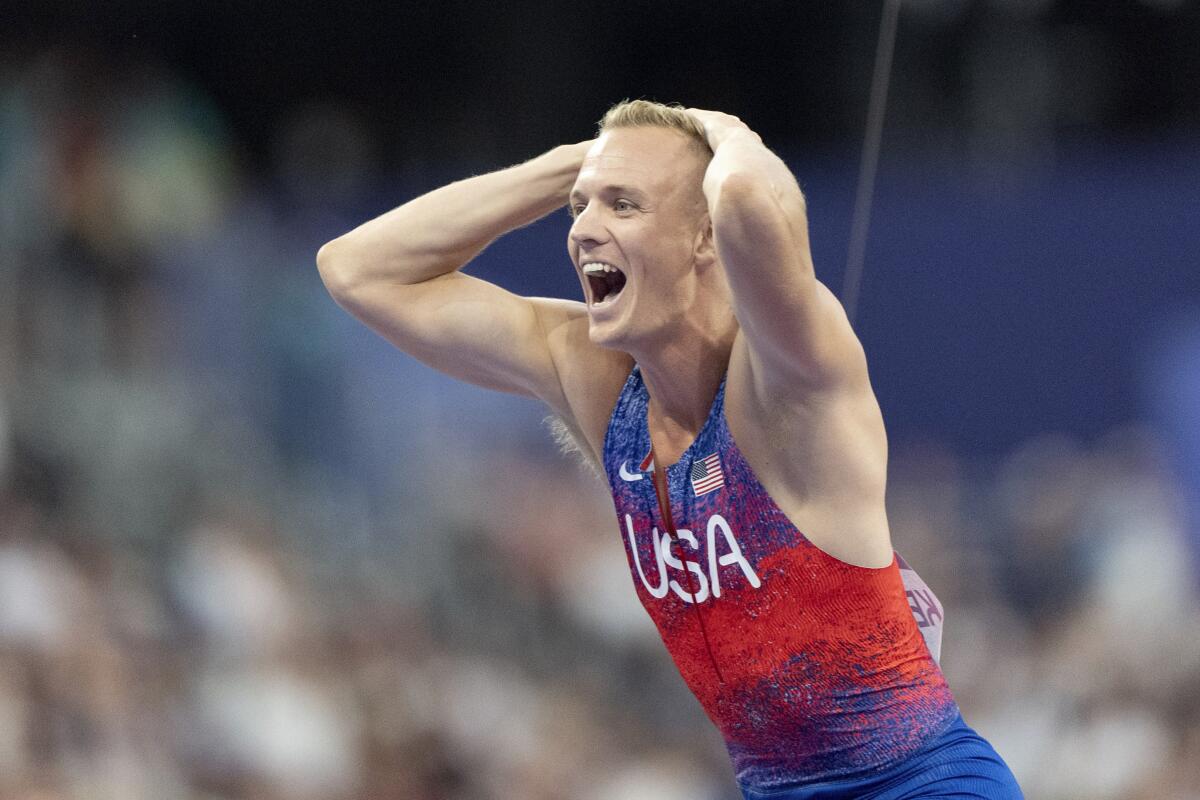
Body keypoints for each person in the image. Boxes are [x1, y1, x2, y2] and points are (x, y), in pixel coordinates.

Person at [317, 100, 1023, 799]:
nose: (586, 231)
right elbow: (357, 270)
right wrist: (574, 165)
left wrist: (723, 133)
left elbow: (749, 196)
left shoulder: (782, 380)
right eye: (578, 209)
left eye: (623, 206)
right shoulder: (598, 387)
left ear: (704, 237)